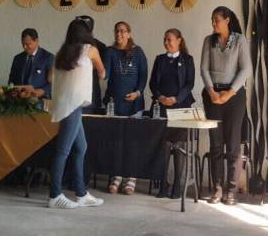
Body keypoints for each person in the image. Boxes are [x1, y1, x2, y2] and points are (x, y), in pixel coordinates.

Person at [48, 19, 105, 209]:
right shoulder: (90, 50)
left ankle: (81, 193)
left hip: (64, 105)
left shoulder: (61, 53)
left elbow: (50, 78)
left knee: (81, 147)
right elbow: (102, 72)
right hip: (75, 105)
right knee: (63, 151)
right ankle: (55, 195)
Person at [201, 6, 252, 205]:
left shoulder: (240, 40)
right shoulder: (209, 40)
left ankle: (231, 190)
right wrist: (212, 92)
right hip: (212, 96)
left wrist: (229, 93)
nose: (213, 23)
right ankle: (217, 188)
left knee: (232, 145)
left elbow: (246, 69)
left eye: (217, 20)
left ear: (227, 20)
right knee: (215, 145)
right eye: (212, 20)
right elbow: (204, 69)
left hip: (234, 97)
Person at [103, 21, 148, 195]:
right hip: (114, 105)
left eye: (122, 31)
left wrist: (137, 93)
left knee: (132, 142)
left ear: (129, 33)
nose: (119, 34)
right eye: (116, 31)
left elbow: (143, 76)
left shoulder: (138, 52)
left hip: (134, 105)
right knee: (116, 142)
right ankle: (117, 176)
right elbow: (105, 74)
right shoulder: (110, 52)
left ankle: (131, 177)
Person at [149, 28, 195, 199]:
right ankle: (163, 185)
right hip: (162, 107)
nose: (166, 42)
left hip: (181, 106)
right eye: (165, 40)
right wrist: (160, 97)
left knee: (179, 145)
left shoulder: (187, 60)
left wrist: (176, 99)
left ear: (179, 41)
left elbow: (189, 84)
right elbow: (153, 83)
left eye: (169, 39)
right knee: (163, 145)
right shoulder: (160, 59)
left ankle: (177, 186)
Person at [8, 28, 53, 99]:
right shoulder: (17, 58)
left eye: (28, 44)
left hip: (40, 99)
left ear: (36, 41)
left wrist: (43, 91)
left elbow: (54, 83)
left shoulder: (48, 57)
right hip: (19, 100)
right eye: (23, 44)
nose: (25, 47)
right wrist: (12, 91)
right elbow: (11, 80)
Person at [75, 15, 106, 113]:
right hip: (72, 92)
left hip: (91, 90)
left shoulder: (99, 46)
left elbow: (102, 73)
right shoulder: (69, 46)